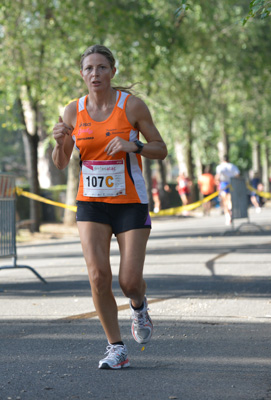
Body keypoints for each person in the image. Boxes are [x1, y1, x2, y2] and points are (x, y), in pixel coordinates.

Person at [52, 44, 167, 370]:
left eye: (102, 67)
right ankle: (115, 347)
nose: (95, 74)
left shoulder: (131, 106)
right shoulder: (73, 111)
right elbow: (61, 163)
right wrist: (60, 141)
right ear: (82, 74)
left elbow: (161, 149)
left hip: (130, 202)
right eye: (89, 68)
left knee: (129, 280)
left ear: (112, 72)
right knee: (98, 276)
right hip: (91, 204)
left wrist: (135, 145)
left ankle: (138, 305)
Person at [215, 155, 240, 225]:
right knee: (230, 199)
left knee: (224, 200)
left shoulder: (219, 167)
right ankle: (230, 210)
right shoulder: (232, 166)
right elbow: (237, 174)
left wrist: (217, 182)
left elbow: (217, 176)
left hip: (223, 184)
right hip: (232, 183)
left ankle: (228, 215)